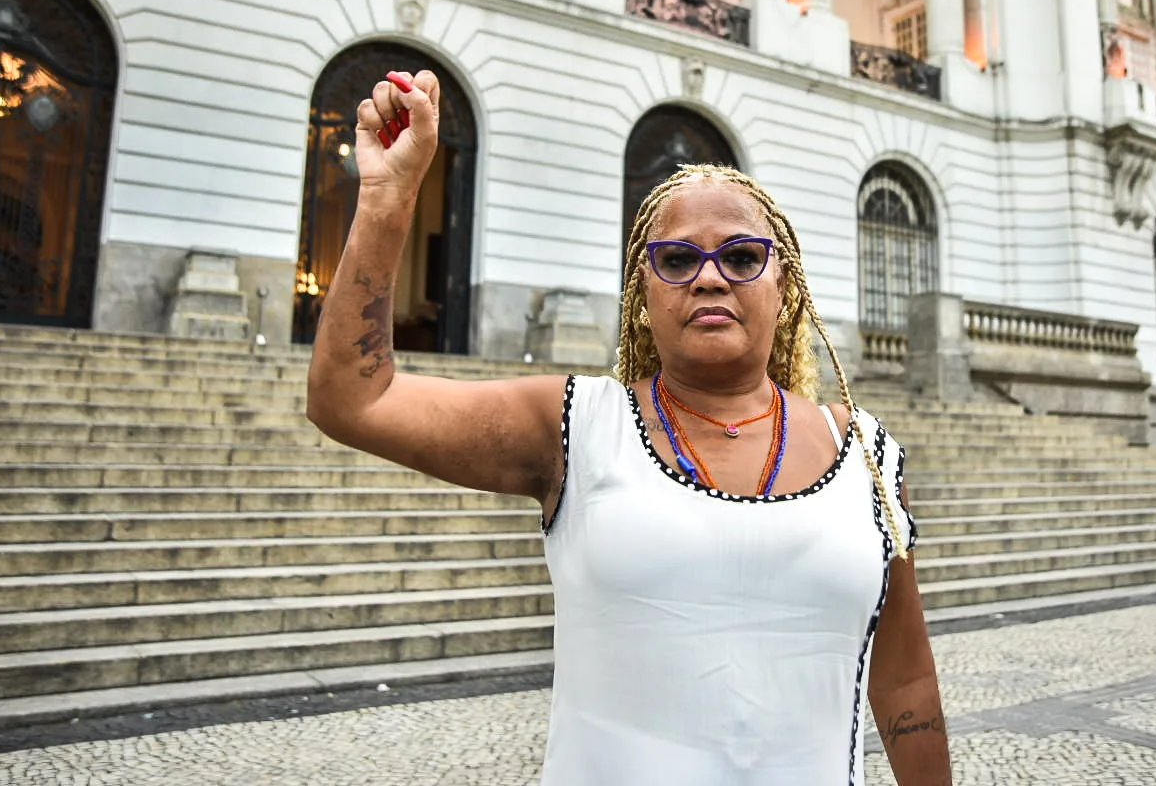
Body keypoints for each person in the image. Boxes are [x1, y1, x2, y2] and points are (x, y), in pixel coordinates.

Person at [307, 69, 952, 785]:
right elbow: (351, 400)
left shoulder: (862, 451)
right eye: (676, 259)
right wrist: (389, 200)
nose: (710, 278)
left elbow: (905, 685)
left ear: (786, 285)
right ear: (643, 297)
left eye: (742, 256)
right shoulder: (576, 428)